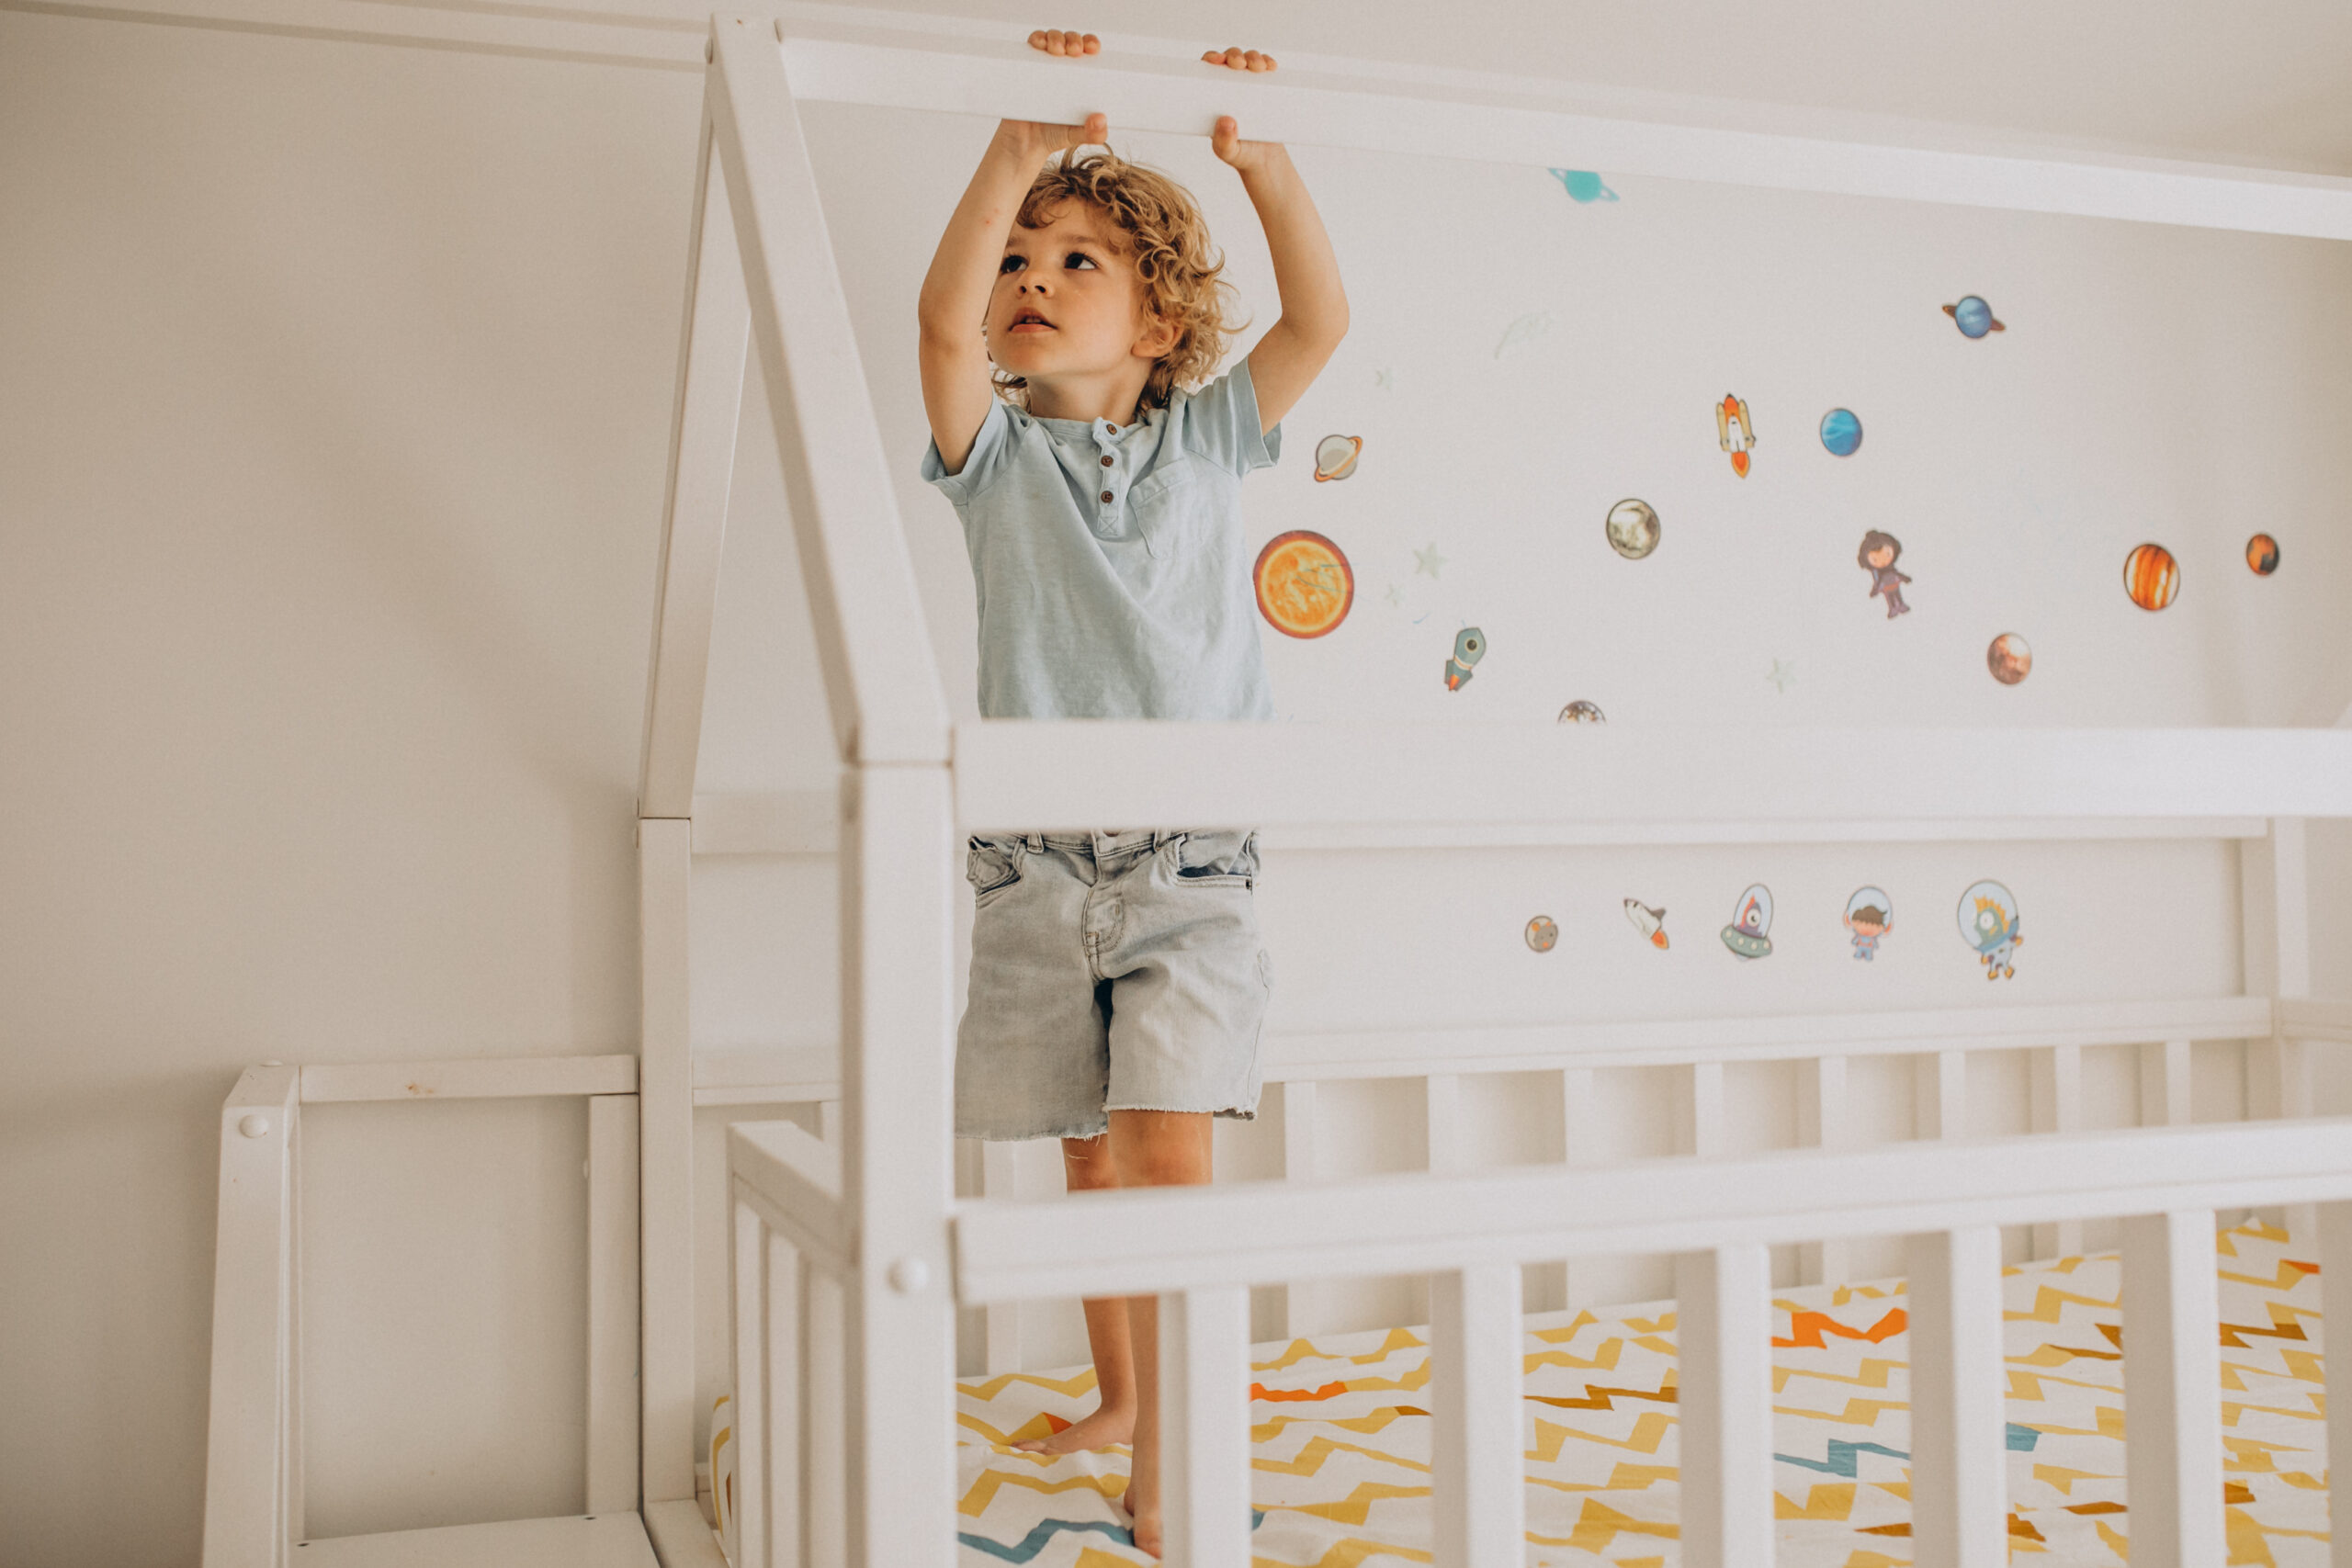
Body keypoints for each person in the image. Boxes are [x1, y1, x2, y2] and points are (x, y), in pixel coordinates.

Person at [914, 28, 1347, 1556]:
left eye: (1077, 259)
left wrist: (1264, 163)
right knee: (1089, 1153)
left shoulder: (1212, 436)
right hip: (1036, 864)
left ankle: (1171, 1456)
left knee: (1168, 1154)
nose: (1030, 275)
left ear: (1161, 318)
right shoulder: (995, 460)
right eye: (1021, 259)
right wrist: (1013, 156)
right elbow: (940, 325)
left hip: (1189, 862)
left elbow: (1321, 315)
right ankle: (1119, 1393)